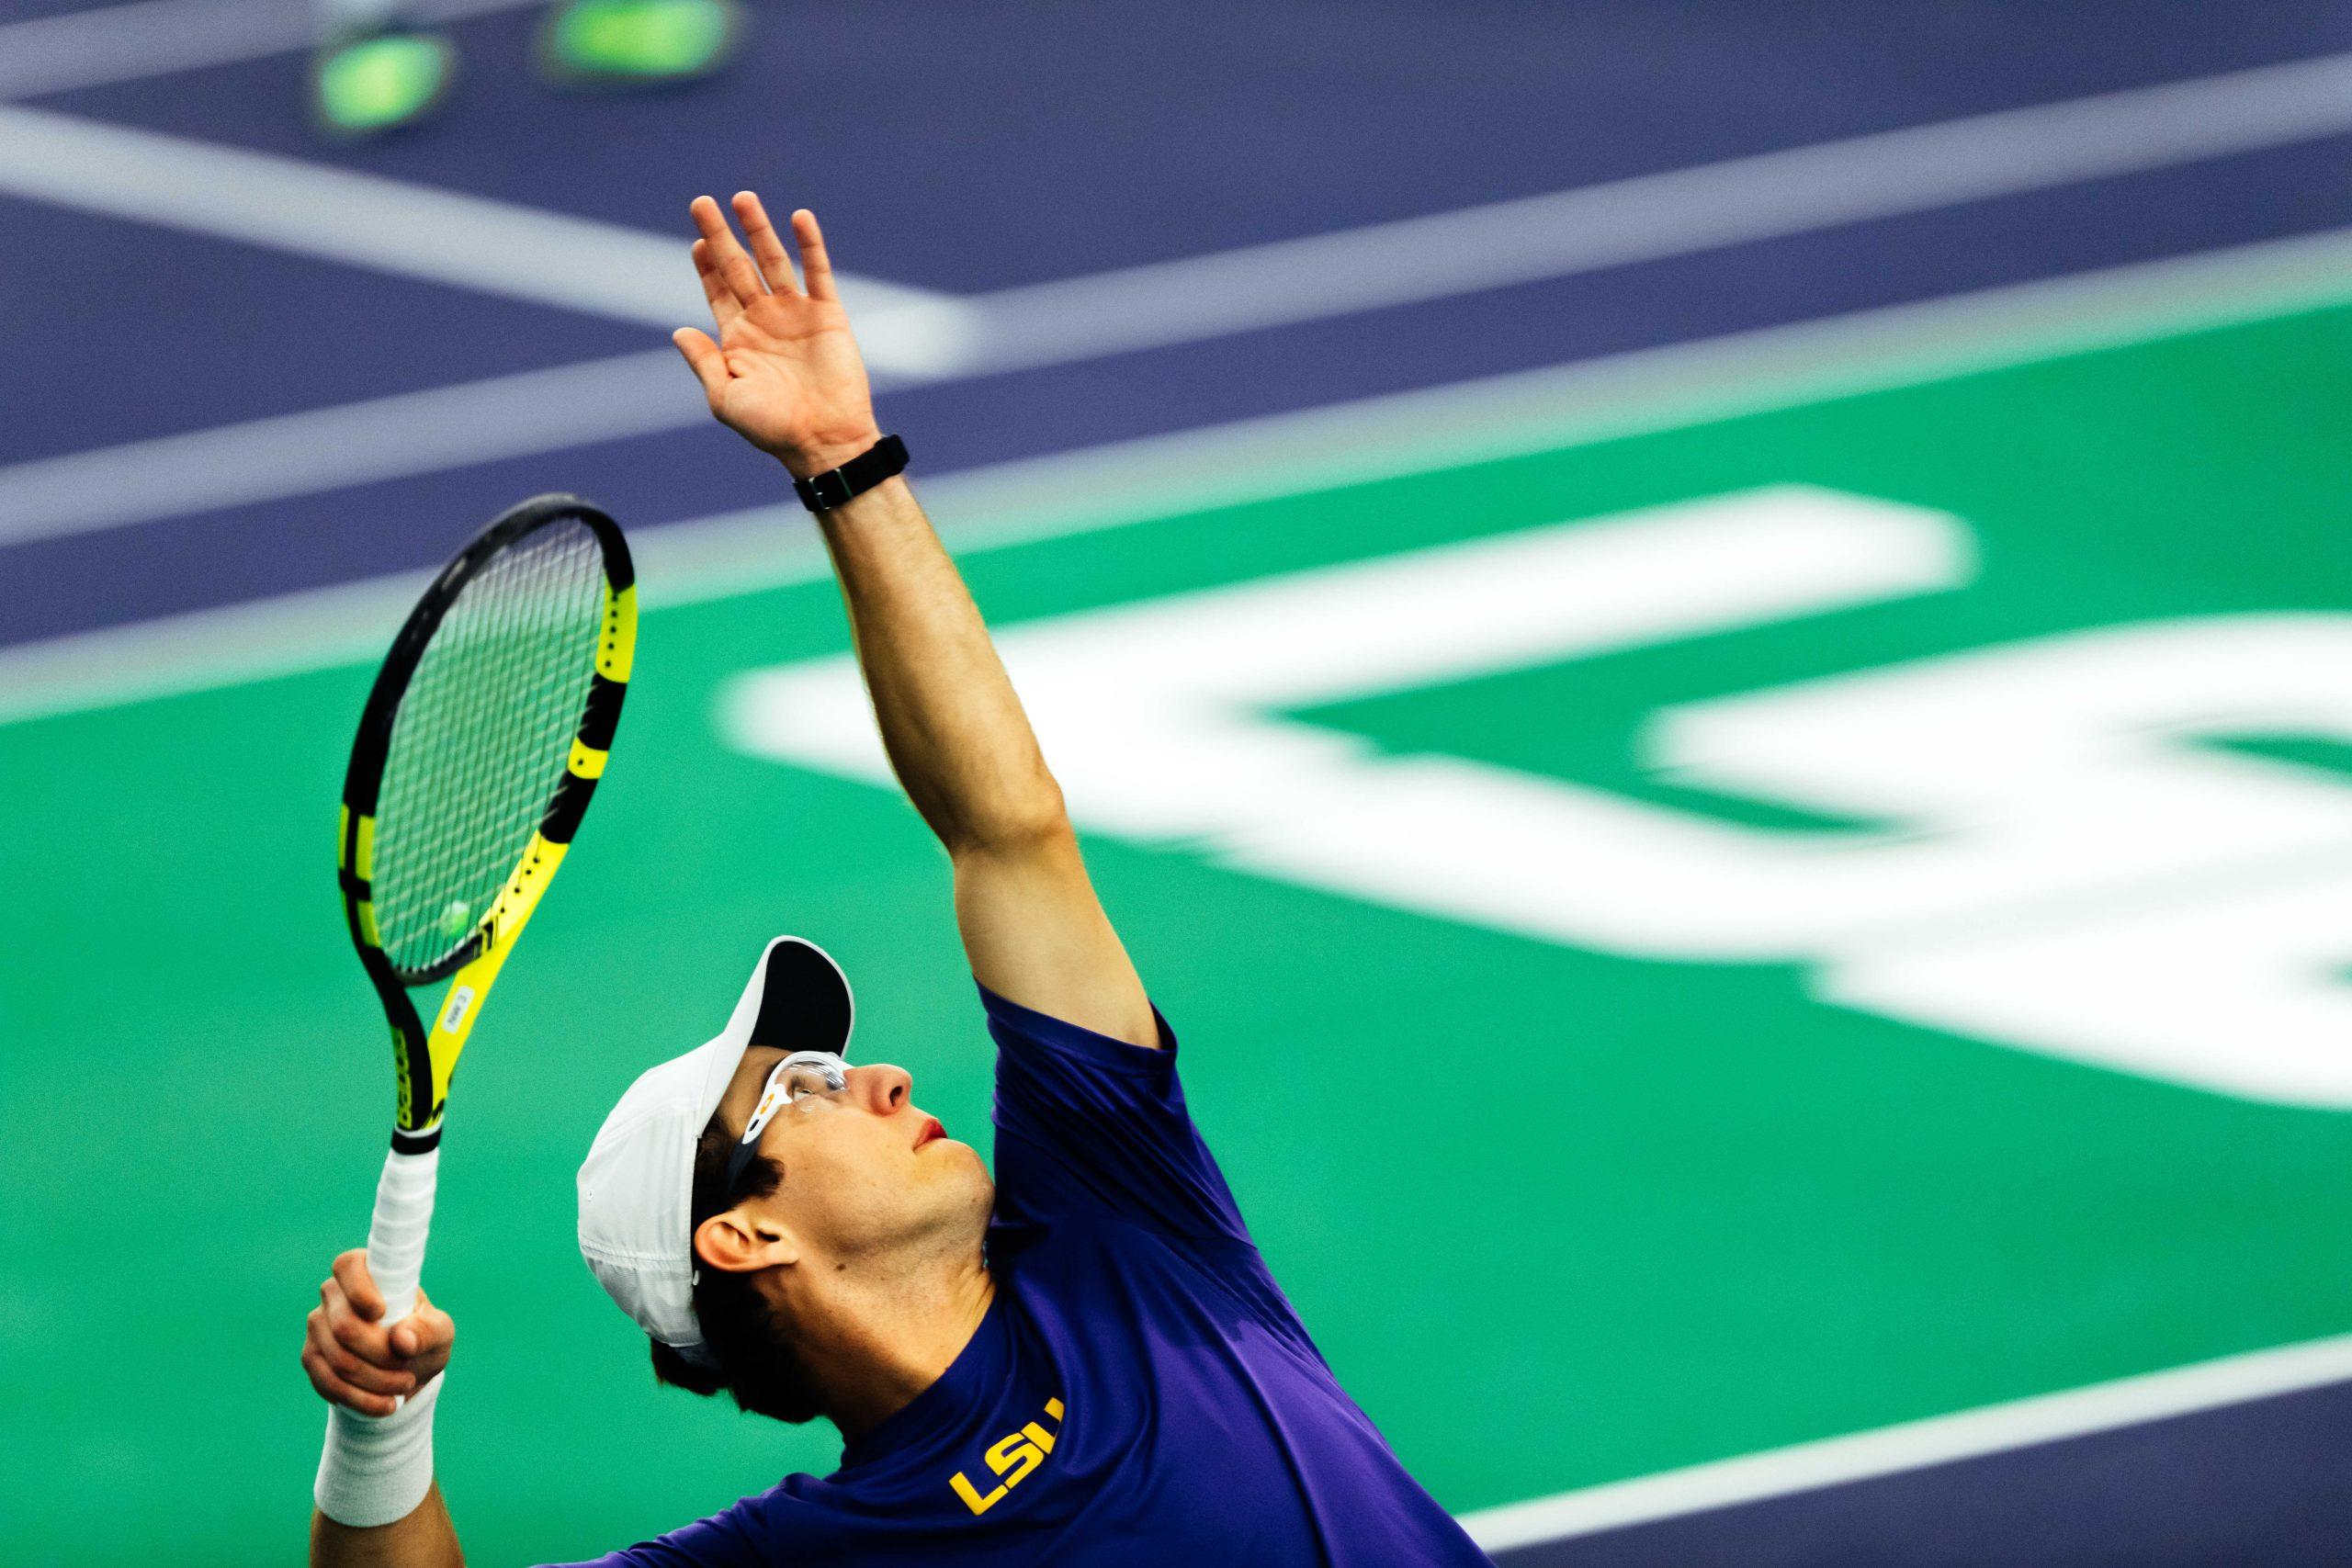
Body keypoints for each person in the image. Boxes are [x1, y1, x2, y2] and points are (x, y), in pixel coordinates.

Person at [298, 190, 1498, 1567]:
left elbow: (1008, 832)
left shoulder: (1125, 1225)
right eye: (802, 1091)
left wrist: (843, 460)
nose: (883, 1080)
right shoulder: (811, 1556)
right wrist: (379, 1428)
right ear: (743, 1239)